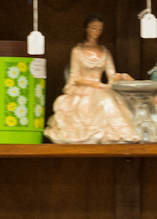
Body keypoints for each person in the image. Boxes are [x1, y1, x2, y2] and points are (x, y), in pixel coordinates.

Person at [45, 14, 139, 144]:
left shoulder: (105, 52)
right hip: (83, 89)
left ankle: (113, 135)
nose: (97, 32)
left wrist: (122, 76)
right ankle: (93, 133)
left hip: (101, 88)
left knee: (109, 101)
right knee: (101, 101)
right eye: (94, 28)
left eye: (100, 29)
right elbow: (75, 76)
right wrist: (90, 83)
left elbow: (111, 76)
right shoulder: (77, 51)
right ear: (87, 28)